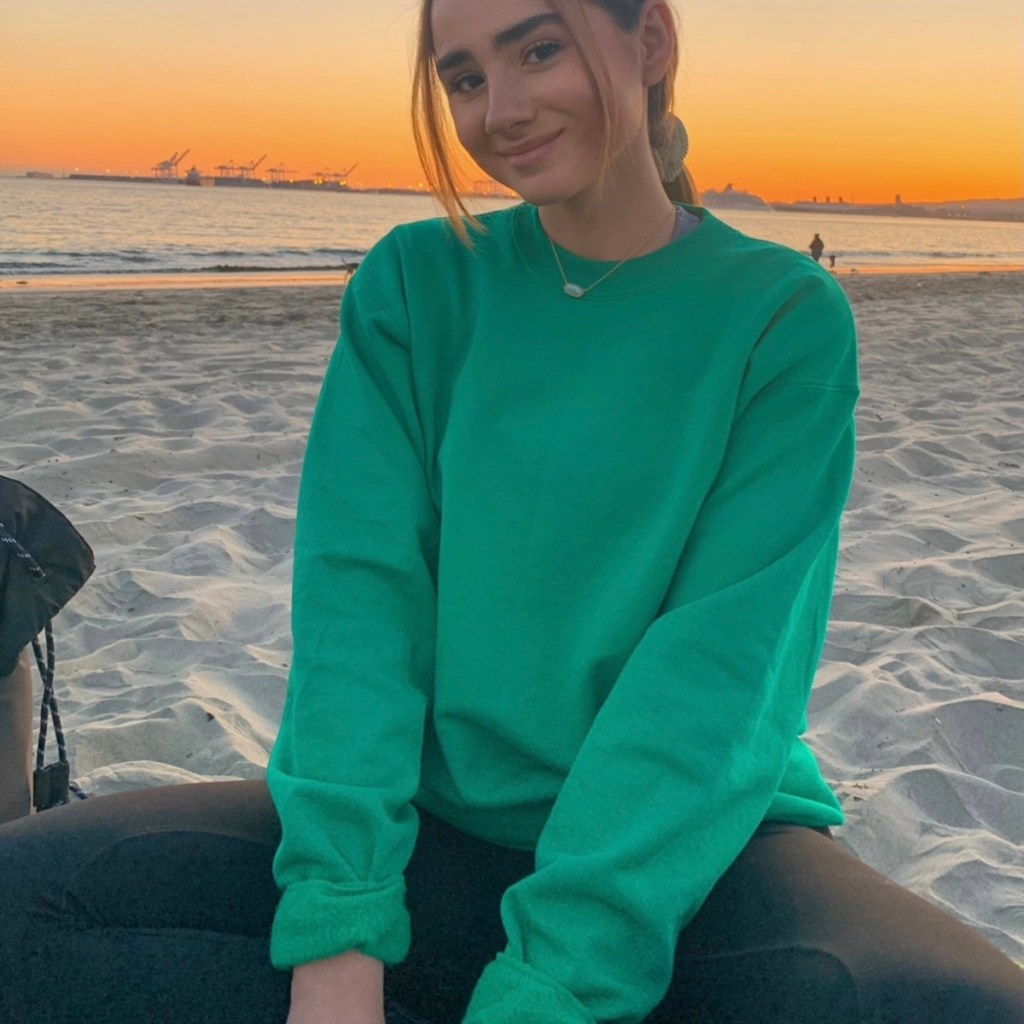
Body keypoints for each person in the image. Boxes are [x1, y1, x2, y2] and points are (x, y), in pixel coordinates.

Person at [1, 2, 1022, 1023]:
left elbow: (713, 682)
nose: (504, 108)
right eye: (465, 78)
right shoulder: (416, 280)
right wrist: (339, 935)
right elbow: (361, 605)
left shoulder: (781, 315)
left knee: (956, 1005)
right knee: (22, 905)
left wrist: (550, 984)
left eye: (539, 49)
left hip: (684, 858)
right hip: (431, 825)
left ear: (651, 43)